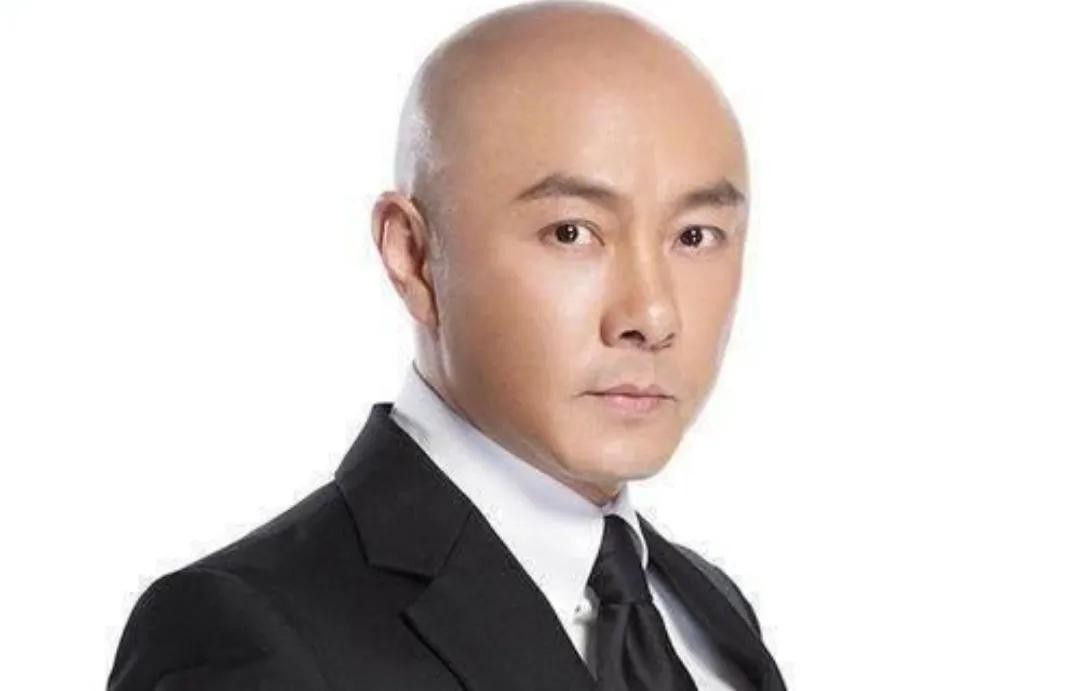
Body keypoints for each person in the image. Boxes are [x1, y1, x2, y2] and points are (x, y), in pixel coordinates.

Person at [106, 1, 787, 689]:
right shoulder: (244, 630)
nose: (652, 314)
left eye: (696, 236)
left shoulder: (708, 610)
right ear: (412, 253)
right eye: (572, 233)